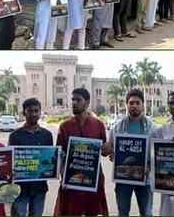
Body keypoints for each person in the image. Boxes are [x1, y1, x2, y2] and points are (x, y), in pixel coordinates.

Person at [54, 88, 109, 216]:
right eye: (73, 100)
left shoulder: (98, 125)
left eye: (78, 100)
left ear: (87, 103)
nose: (74, 103)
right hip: (72, 179)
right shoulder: (64, 126)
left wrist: (108, 149)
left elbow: (103, 152)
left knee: (93, 211)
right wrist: (64, 177)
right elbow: (60, 155)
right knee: (71, 211)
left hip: (94, 178)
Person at [103, 89, 155, 216]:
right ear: (127, 105)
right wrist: (108, 151)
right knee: (123, 212)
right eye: (131, 103)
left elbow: (158, 153)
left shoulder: (152, 127)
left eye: (137, 103)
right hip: (123, 179)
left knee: (146, 213)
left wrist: (150, 165)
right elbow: (110, 149)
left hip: (145, 178)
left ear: (143, 105)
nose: (134, 106)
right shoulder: (117, 127)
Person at [9, 98, 53, 217]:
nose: (33, 114)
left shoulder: (47, 135)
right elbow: (11, 161)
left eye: (36, 111)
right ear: (24, 112)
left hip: (39, 187)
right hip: (19, 188)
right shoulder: (15, 135)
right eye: (30, 111)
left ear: (40, 112)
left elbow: (49, 160)